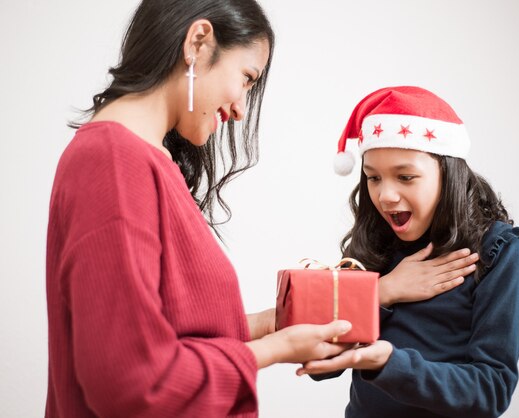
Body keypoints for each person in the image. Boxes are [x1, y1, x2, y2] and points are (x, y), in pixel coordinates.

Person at [45, 0, 480, 415]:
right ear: (198, 43)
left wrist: (280, 323)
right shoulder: (114, 162)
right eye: (248, 78)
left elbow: (178, 335)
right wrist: (279, 350)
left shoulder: (144, 160)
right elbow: (130, 383)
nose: (239, 109)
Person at [302, 86, 519, 418]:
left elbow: (491, 390)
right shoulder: (373, 241)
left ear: (448, 173)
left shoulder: (499, 251)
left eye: (406, 177)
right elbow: (320, 366)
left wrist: (389, 363)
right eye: (373, 178)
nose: (385, 196)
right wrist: (384, 292)